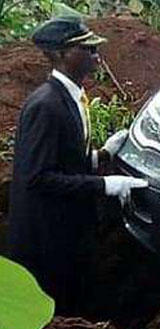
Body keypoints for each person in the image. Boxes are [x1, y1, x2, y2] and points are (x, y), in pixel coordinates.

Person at [6, 17, 147, 312]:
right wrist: (105, 185)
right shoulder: (45, 106)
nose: (96, 56)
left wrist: (102, 156)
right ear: (60, 55)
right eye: (87, 49)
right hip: (47, 239)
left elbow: (63, 160)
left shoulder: (71, 97)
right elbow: (38, 178)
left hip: (69, 231)